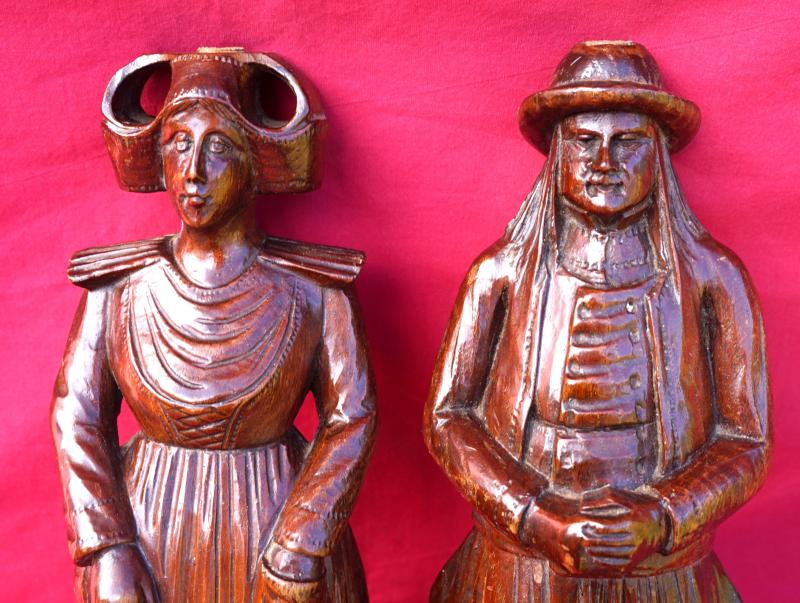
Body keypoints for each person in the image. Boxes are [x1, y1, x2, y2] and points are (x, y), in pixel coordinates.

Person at [425, 41, 770, 602]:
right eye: (584, 141)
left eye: (627, 142)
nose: (604, 162)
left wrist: (663, 515)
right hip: (522, 565)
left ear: (657, 156)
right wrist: (535, 515)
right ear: (558, 154)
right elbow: (448, 418)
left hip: (662, 571)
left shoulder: (714, 278)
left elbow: (746, 440)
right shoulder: (500, 274)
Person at [51, 48, 376, 603]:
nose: (194, 170)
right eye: (178, 143)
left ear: (255, 163)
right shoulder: (116, 290)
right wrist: (107, 549)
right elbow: (76, 414)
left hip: (275, 529)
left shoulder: (317, 292)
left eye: (219, 146)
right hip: (148, 532)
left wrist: (304, 538)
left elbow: (353, 417)